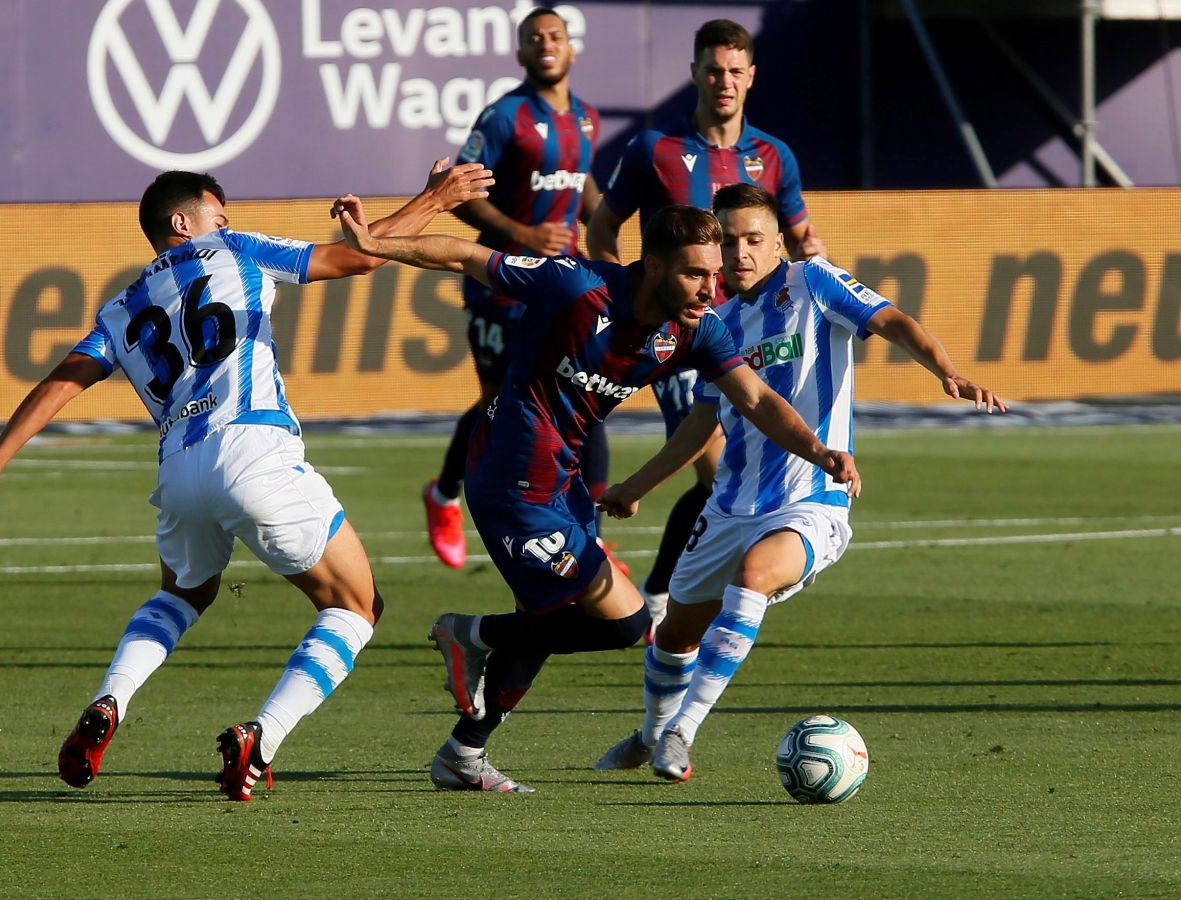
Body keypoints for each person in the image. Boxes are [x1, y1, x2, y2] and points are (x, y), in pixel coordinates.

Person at [0, 162, 494, 801]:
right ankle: (263, 739)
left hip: (178, 470)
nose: (226, 222)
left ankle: (110, 698)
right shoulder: (235, 248)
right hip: (252, 447)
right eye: (217, 214)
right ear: (183, 222)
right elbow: (359, 256)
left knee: (185, 594)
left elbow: (62, 379)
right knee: (357, 606)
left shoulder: (120, 308)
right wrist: (437, 199)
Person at [334, 195, 860, 792]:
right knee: (622, 623)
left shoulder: (698, 329)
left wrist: (820, 453)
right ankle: (471, 635)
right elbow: (466, 257)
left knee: (550, 616)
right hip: (508, 479)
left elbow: (759, 400)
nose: (710, 289)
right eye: (695, 274)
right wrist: (376, 244)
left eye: (714, 276)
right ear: (655, 267)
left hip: (565, 483)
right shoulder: (576, 285)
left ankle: (463, 751)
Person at [592, 184, 1006, 782]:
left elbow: (891, 320)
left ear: (778, 241)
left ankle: (683, 731)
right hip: (729, 506)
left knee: (754, 575)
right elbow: (699, 427)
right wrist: (635, 487)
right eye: (728, 241)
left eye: (754, 240)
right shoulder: (715, 323)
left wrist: (948, 372)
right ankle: (651, 735)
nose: (740, 253)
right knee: (675, 634)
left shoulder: (812, 283)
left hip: (811, 499)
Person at [587, 18, 827, 637]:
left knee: (718, 469)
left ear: (751, 77)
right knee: (710, 459)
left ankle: (667, 595)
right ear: (694, 73)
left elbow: (799, 238)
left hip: (740, 332)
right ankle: (665, 598)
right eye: (713, 69)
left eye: (735, 71)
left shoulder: (775, 156)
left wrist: (819, 277)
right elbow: (602, 229)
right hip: (678, 332)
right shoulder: (653, 151)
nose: (724, 81)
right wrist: (622, 296)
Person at [422, 7, 616, 572]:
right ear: (521, 53)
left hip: (562, 289)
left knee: (587, 397)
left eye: (554, 36)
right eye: (534, 38)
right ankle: (444, 495)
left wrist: (606, 234)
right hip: (501, 284)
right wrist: (524, 234)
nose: (546, 44)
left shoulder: (585, 118)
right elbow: (462, 191)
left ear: (571, 48)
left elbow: (584, 186)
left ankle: (592, 538)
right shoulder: (505, 116)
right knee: (497, 404)